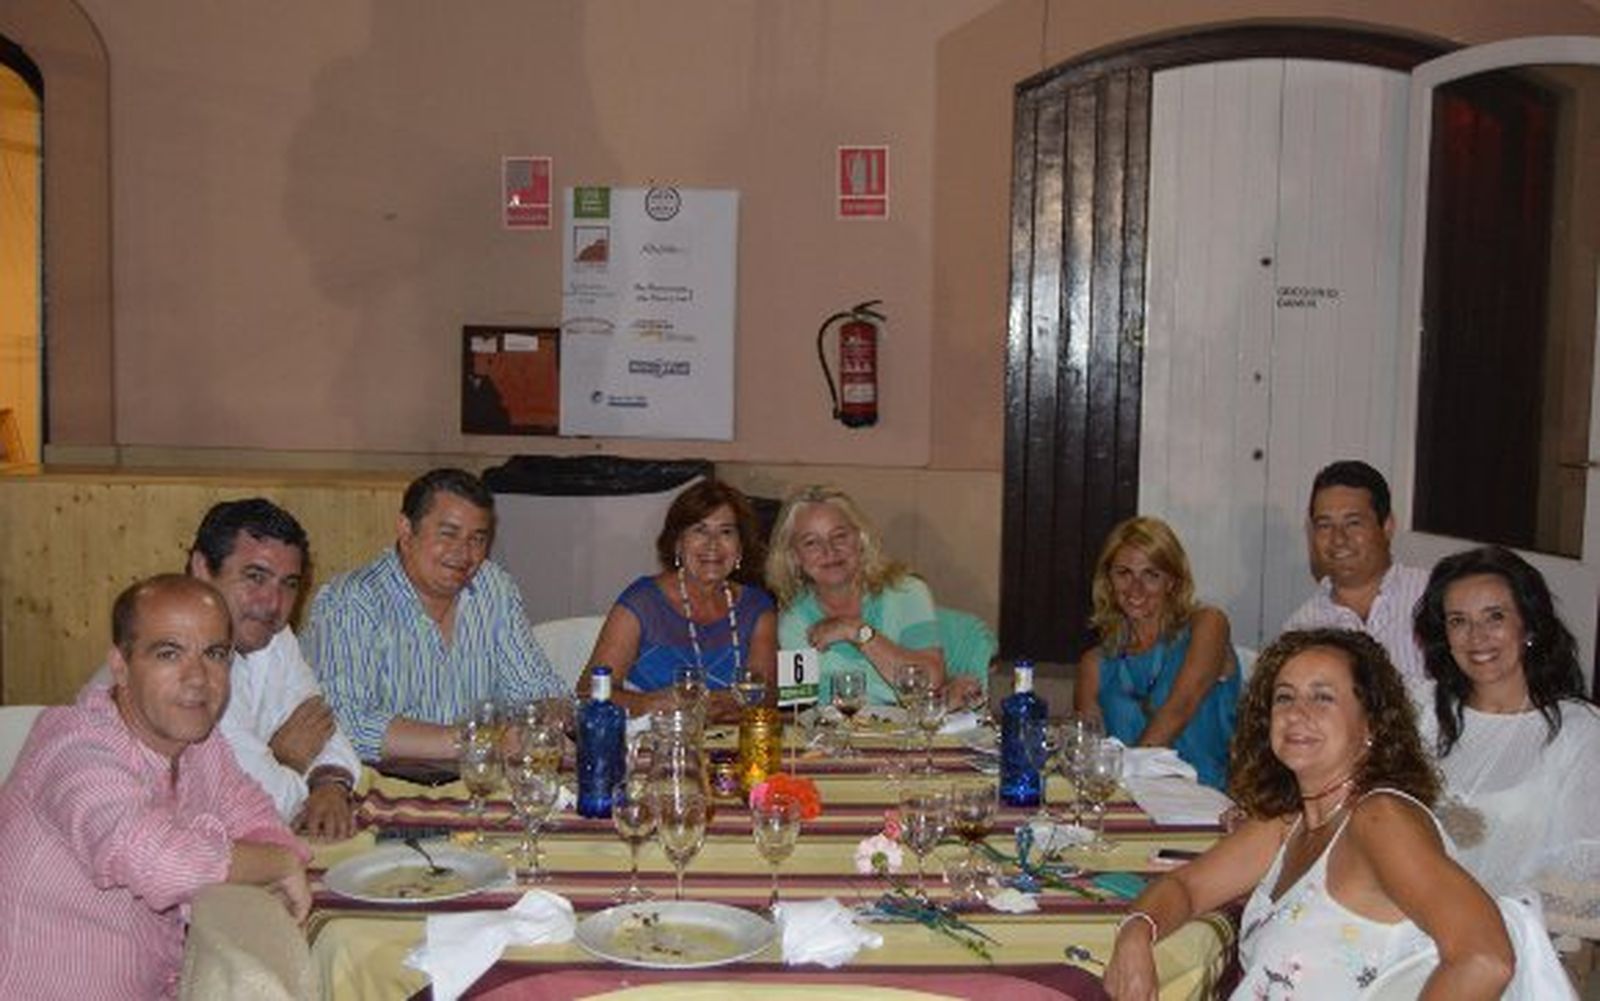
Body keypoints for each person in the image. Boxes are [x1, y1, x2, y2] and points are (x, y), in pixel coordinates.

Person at [1103, 628, 1515, 1000]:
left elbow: (1484, 959)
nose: (1297, 713)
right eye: (1285, 697)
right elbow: (1186, 889)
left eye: (1323, 697)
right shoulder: (1289, 823)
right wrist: (1137, 931)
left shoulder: (1379, 819)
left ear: (1371, 724)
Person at [0, 575, 310, 998]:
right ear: (120, 667)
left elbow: (259, 820)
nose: (198, 678)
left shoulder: (202, 746)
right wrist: (278, 865)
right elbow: (157, 862)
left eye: (215, 654)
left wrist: (275, 855)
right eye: (169, 653)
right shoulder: (75, 746)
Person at [304, 468, 564, 761]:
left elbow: (538, 692)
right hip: (383, 785)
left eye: (477, 539)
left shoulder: (494, 588)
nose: (463, 553)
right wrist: (475, 741)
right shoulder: (353, 602)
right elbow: (343, 723)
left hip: (481, 782)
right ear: (405, 530)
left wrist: (550, 718)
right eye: (448, 534)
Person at [1414, 545, 1600, 944]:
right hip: (1407, 931)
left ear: (1528, 627)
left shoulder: (1579, 731)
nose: (1477, 636)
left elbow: (1577, 875)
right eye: (1458, 621)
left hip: (1518, 945)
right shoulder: (1421, 710)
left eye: (1495, 617)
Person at [189, 498, 361, 839]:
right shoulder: (186, 660)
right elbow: (250, 804)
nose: (273, 603)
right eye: (255, 577)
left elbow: (322, 725)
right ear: (202, 569)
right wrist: (286, 760)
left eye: (289, 584)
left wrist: (329, 785)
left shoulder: (274, 636)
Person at [581, 479, 777, 721]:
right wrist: (649, 704)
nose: (713, 544)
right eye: (699, 530)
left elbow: (767, 696)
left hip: (735, 750)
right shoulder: (643, 602)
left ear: (740, 547)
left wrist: (727, 704)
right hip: (654, 747)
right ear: (677, 543)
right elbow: (589, 692)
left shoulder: (757, 609)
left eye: (726, 532)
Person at [767, 485, 978, 707]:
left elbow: (930, 681)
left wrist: (857, 631)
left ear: (860, 540)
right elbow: (804, 709)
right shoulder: (794, 620)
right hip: (840, 738)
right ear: (794, 557)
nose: (829, 551)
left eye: (839, 536)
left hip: (908, 736)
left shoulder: (906, 591)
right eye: (811, 542)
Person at [1073, 516, 1240, 790]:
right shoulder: (1095, 663)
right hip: (1127, 806)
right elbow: (1087, 749)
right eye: (1124, 573)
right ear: (1108, 580)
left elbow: (1180, 707)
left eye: (1151, 574)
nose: (1135, 588)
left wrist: (1126, 775)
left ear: (1172, 581)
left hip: (1204, 807)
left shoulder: (1208, 625)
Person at [1283, 460, 1431, 697]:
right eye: (1324, 525)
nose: (1338, 539)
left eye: (1353, 523)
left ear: (1387, 526)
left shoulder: (1433, 596)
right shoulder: (1301, 628)